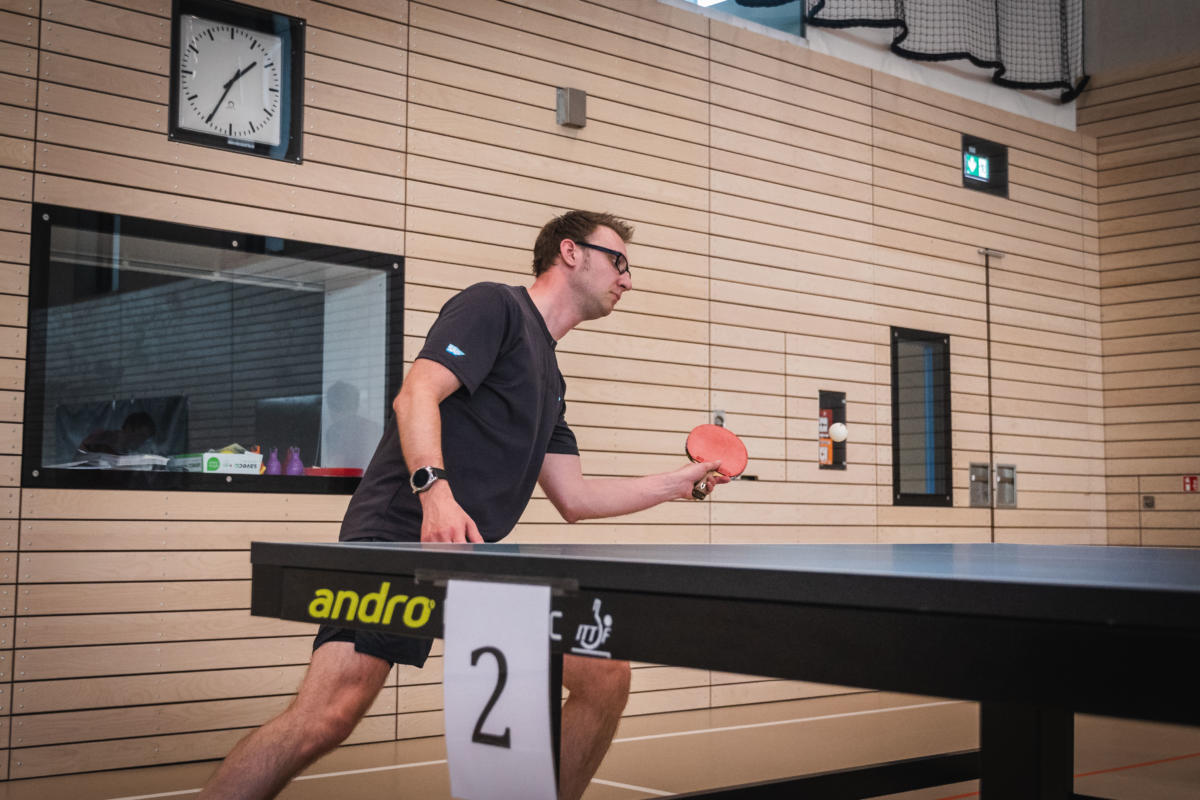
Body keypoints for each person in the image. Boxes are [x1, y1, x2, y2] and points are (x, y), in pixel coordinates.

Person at [198, 211, 729, 800]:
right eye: (618, 261)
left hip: (469, 555)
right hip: (399, 539)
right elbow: (416, 395)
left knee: (604, 673)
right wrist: (435, 493)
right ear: (570, 252)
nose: (627, 278)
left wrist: (676, 484)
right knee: (328, 716)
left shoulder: (550, 380)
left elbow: (575, 497)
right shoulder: (494, 307)